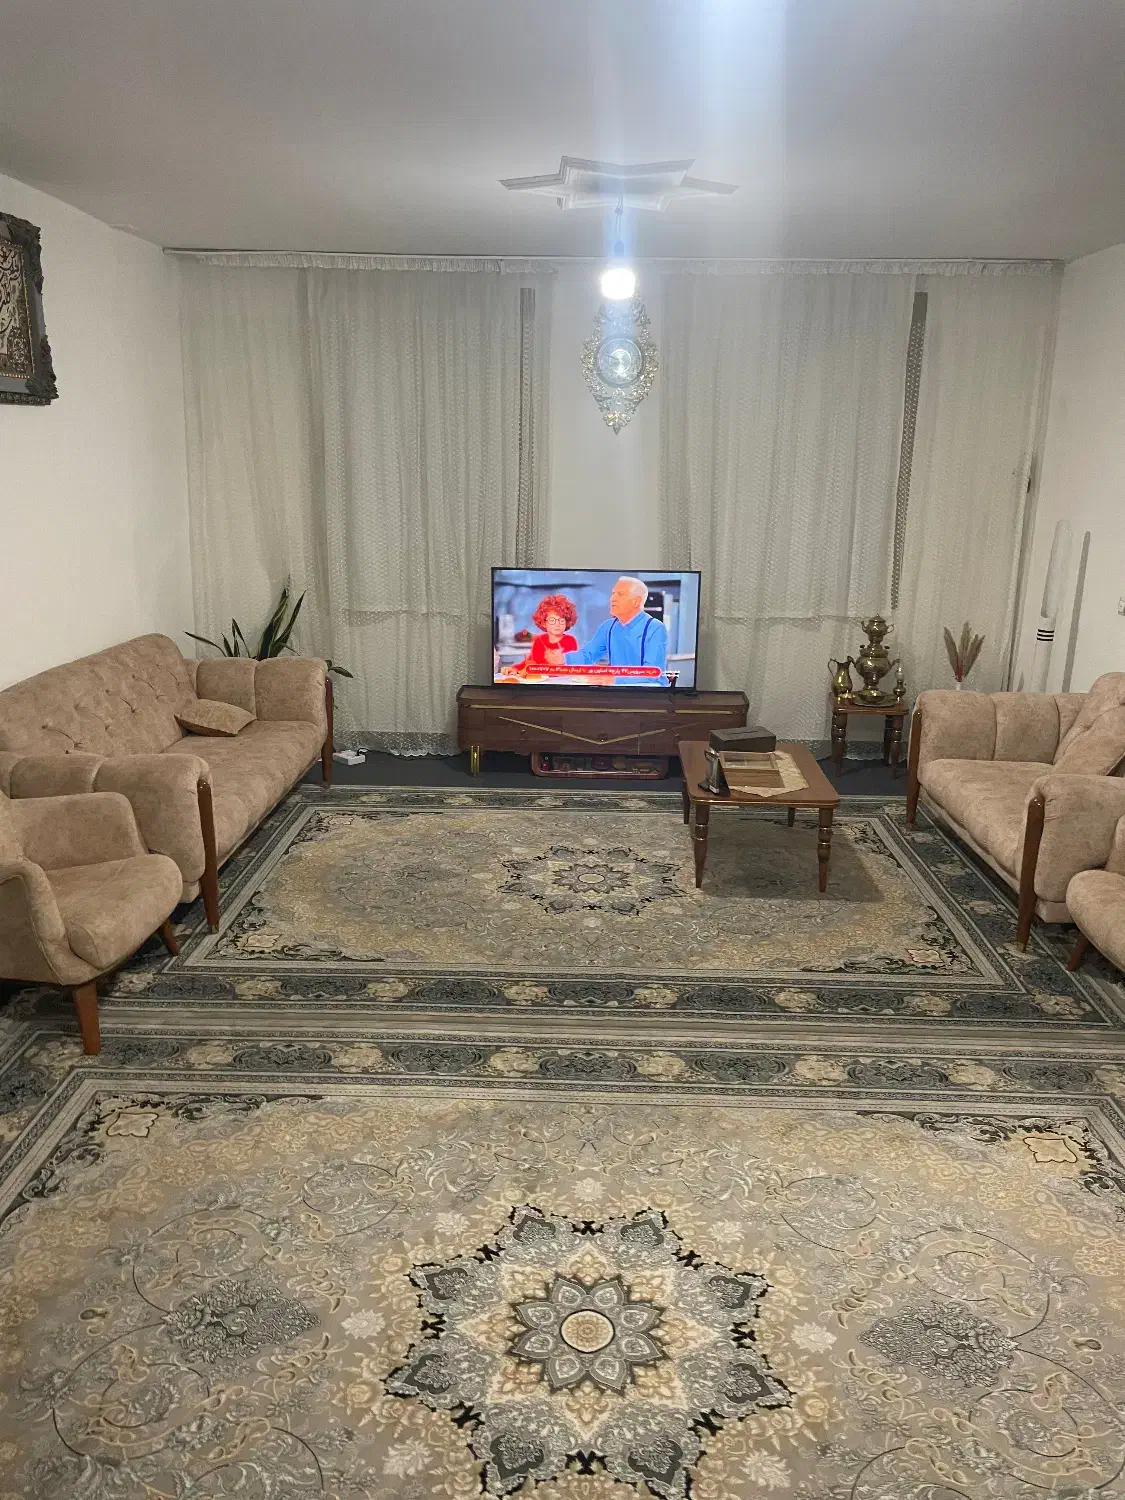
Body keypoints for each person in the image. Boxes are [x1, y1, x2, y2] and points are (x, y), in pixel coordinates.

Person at [549, 575, 668, 685]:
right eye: (613, 593)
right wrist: (564, 659)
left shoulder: (655, 628)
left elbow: (652, 673)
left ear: (636, 601)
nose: (612, 599)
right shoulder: (608, 627)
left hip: (650, 695)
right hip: (617, 693)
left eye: (620, 594)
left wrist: (614, 679)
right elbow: (588, 655)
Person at [504, 593, 579, 676]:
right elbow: (530, 662)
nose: (557, 624)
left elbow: (572, 667)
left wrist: (559, 662)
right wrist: (515, 668)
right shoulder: (539, 640)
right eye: (552, 620)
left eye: (561, 620)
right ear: (543, 623)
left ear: (567, 622)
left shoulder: (571, 641)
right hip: (539, 682)